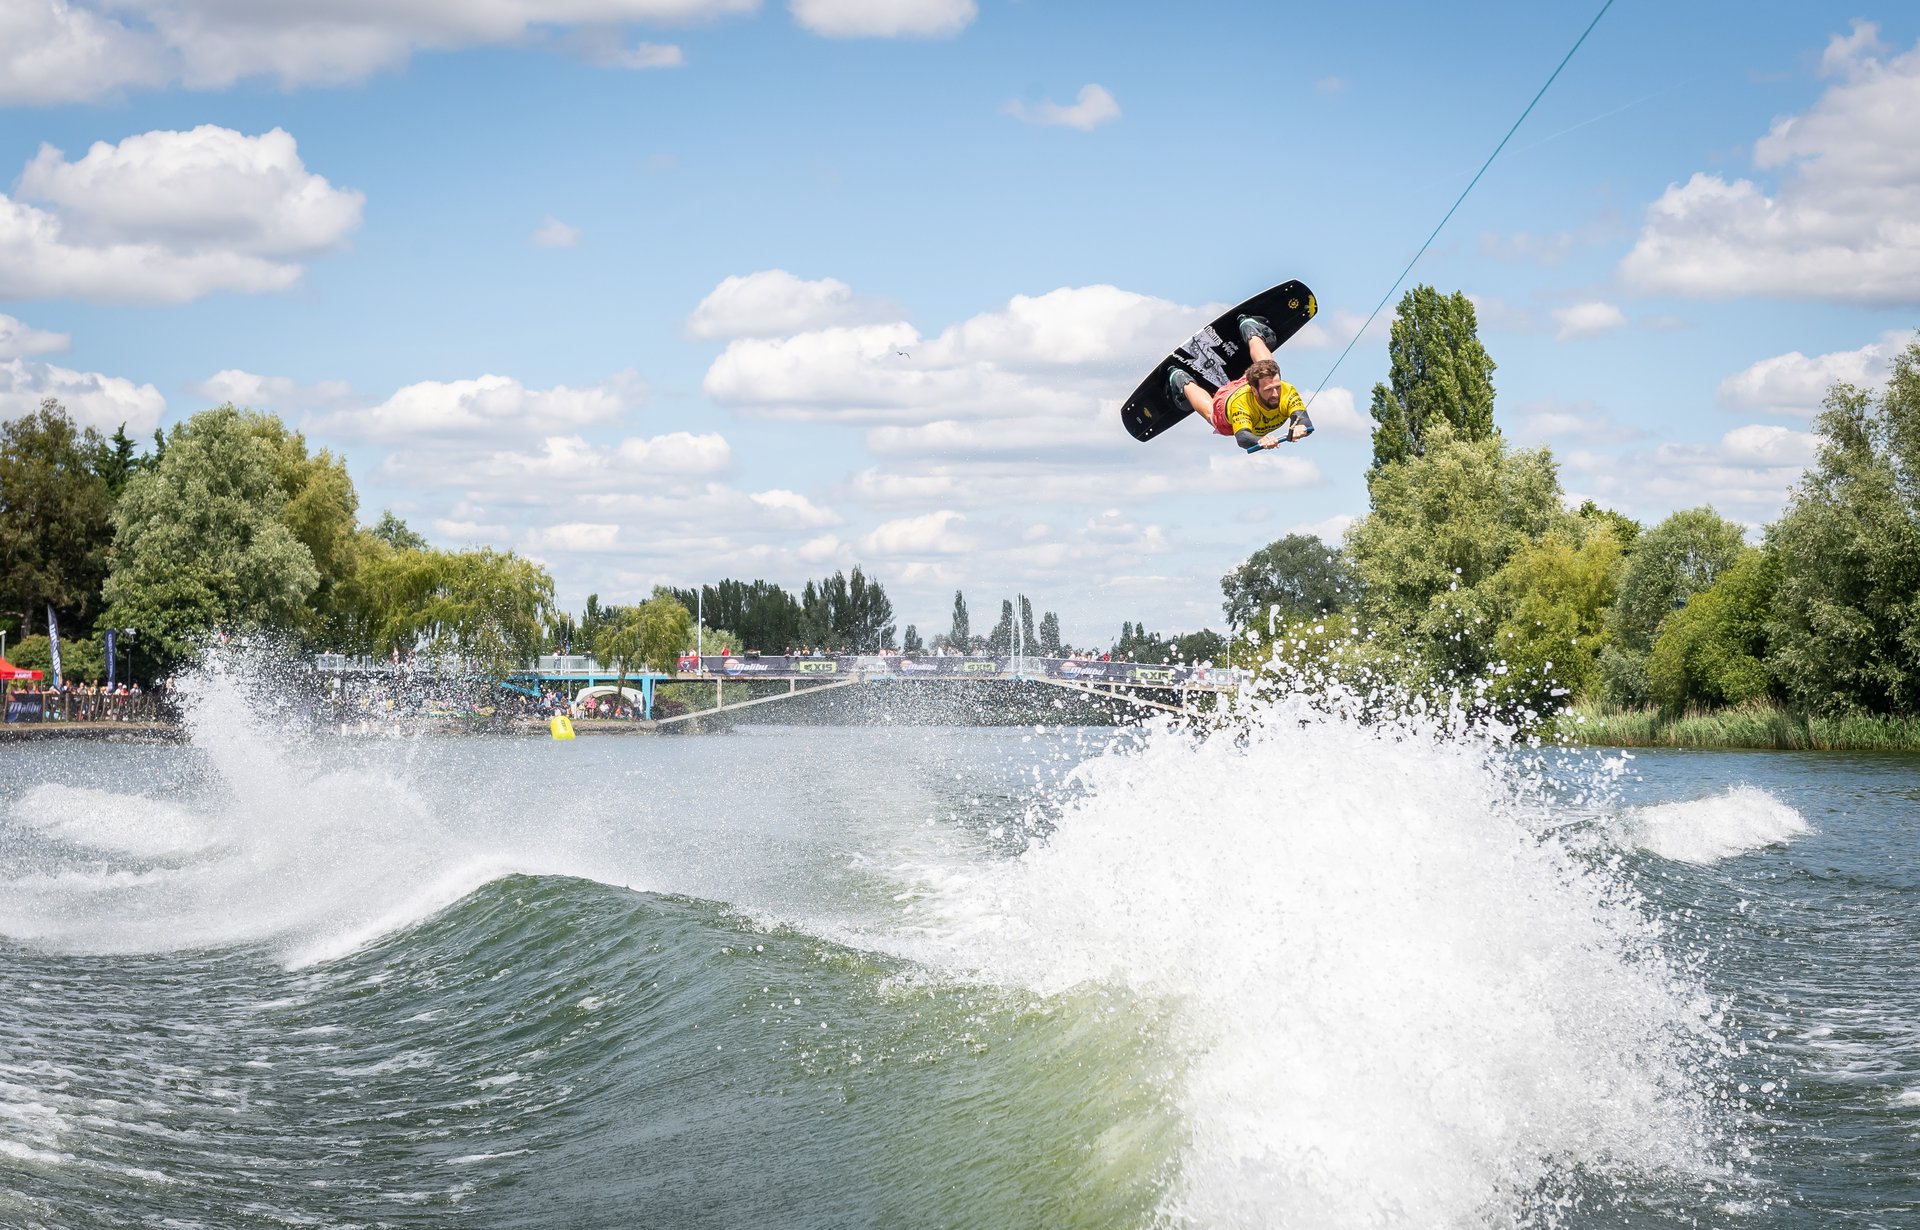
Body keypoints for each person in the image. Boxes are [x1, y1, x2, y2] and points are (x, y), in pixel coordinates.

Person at [1168, 315, 1311, 451]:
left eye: (1277, 388)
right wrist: (1259, 440)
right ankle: (1181, 380)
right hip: (1226, 402)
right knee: (1212, 416)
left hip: (1249, 385)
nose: (1275, 394)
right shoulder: (1241, 404)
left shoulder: (1286, 390)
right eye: (1268, 390)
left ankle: (1250, 329)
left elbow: (1303, 419)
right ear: (1254, 389)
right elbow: (1242, 437)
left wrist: (1300, 426)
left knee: (1268, 366)